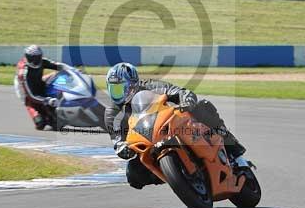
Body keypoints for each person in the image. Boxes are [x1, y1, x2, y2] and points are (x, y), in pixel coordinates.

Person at [104, 62, 250, 189]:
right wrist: (122, 149)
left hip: (171, 125)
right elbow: (117, 140)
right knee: (133, 174)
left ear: (132, 85)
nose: (116, 94)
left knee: (203, 107)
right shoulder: (111, 113)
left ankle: (236, 153)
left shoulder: (150, 86)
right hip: (148, 144)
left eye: (120, 88)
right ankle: (177, 176)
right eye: (113, 89)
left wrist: (186, 100)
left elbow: (180, 92)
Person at [16, 45, 66, 130]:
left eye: (38, 57)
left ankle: (54, 108)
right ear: (28, 57)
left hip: (39, 82)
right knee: (40, 123)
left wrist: (73, 70)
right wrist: (48, 100)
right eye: (34, 58)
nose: (36, 60)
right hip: (26, 91)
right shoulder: (23, 73)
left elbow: (58, 65)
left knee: (57, 122)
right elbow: (31, 96)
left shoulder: (42, 61)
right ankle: (42, 115)